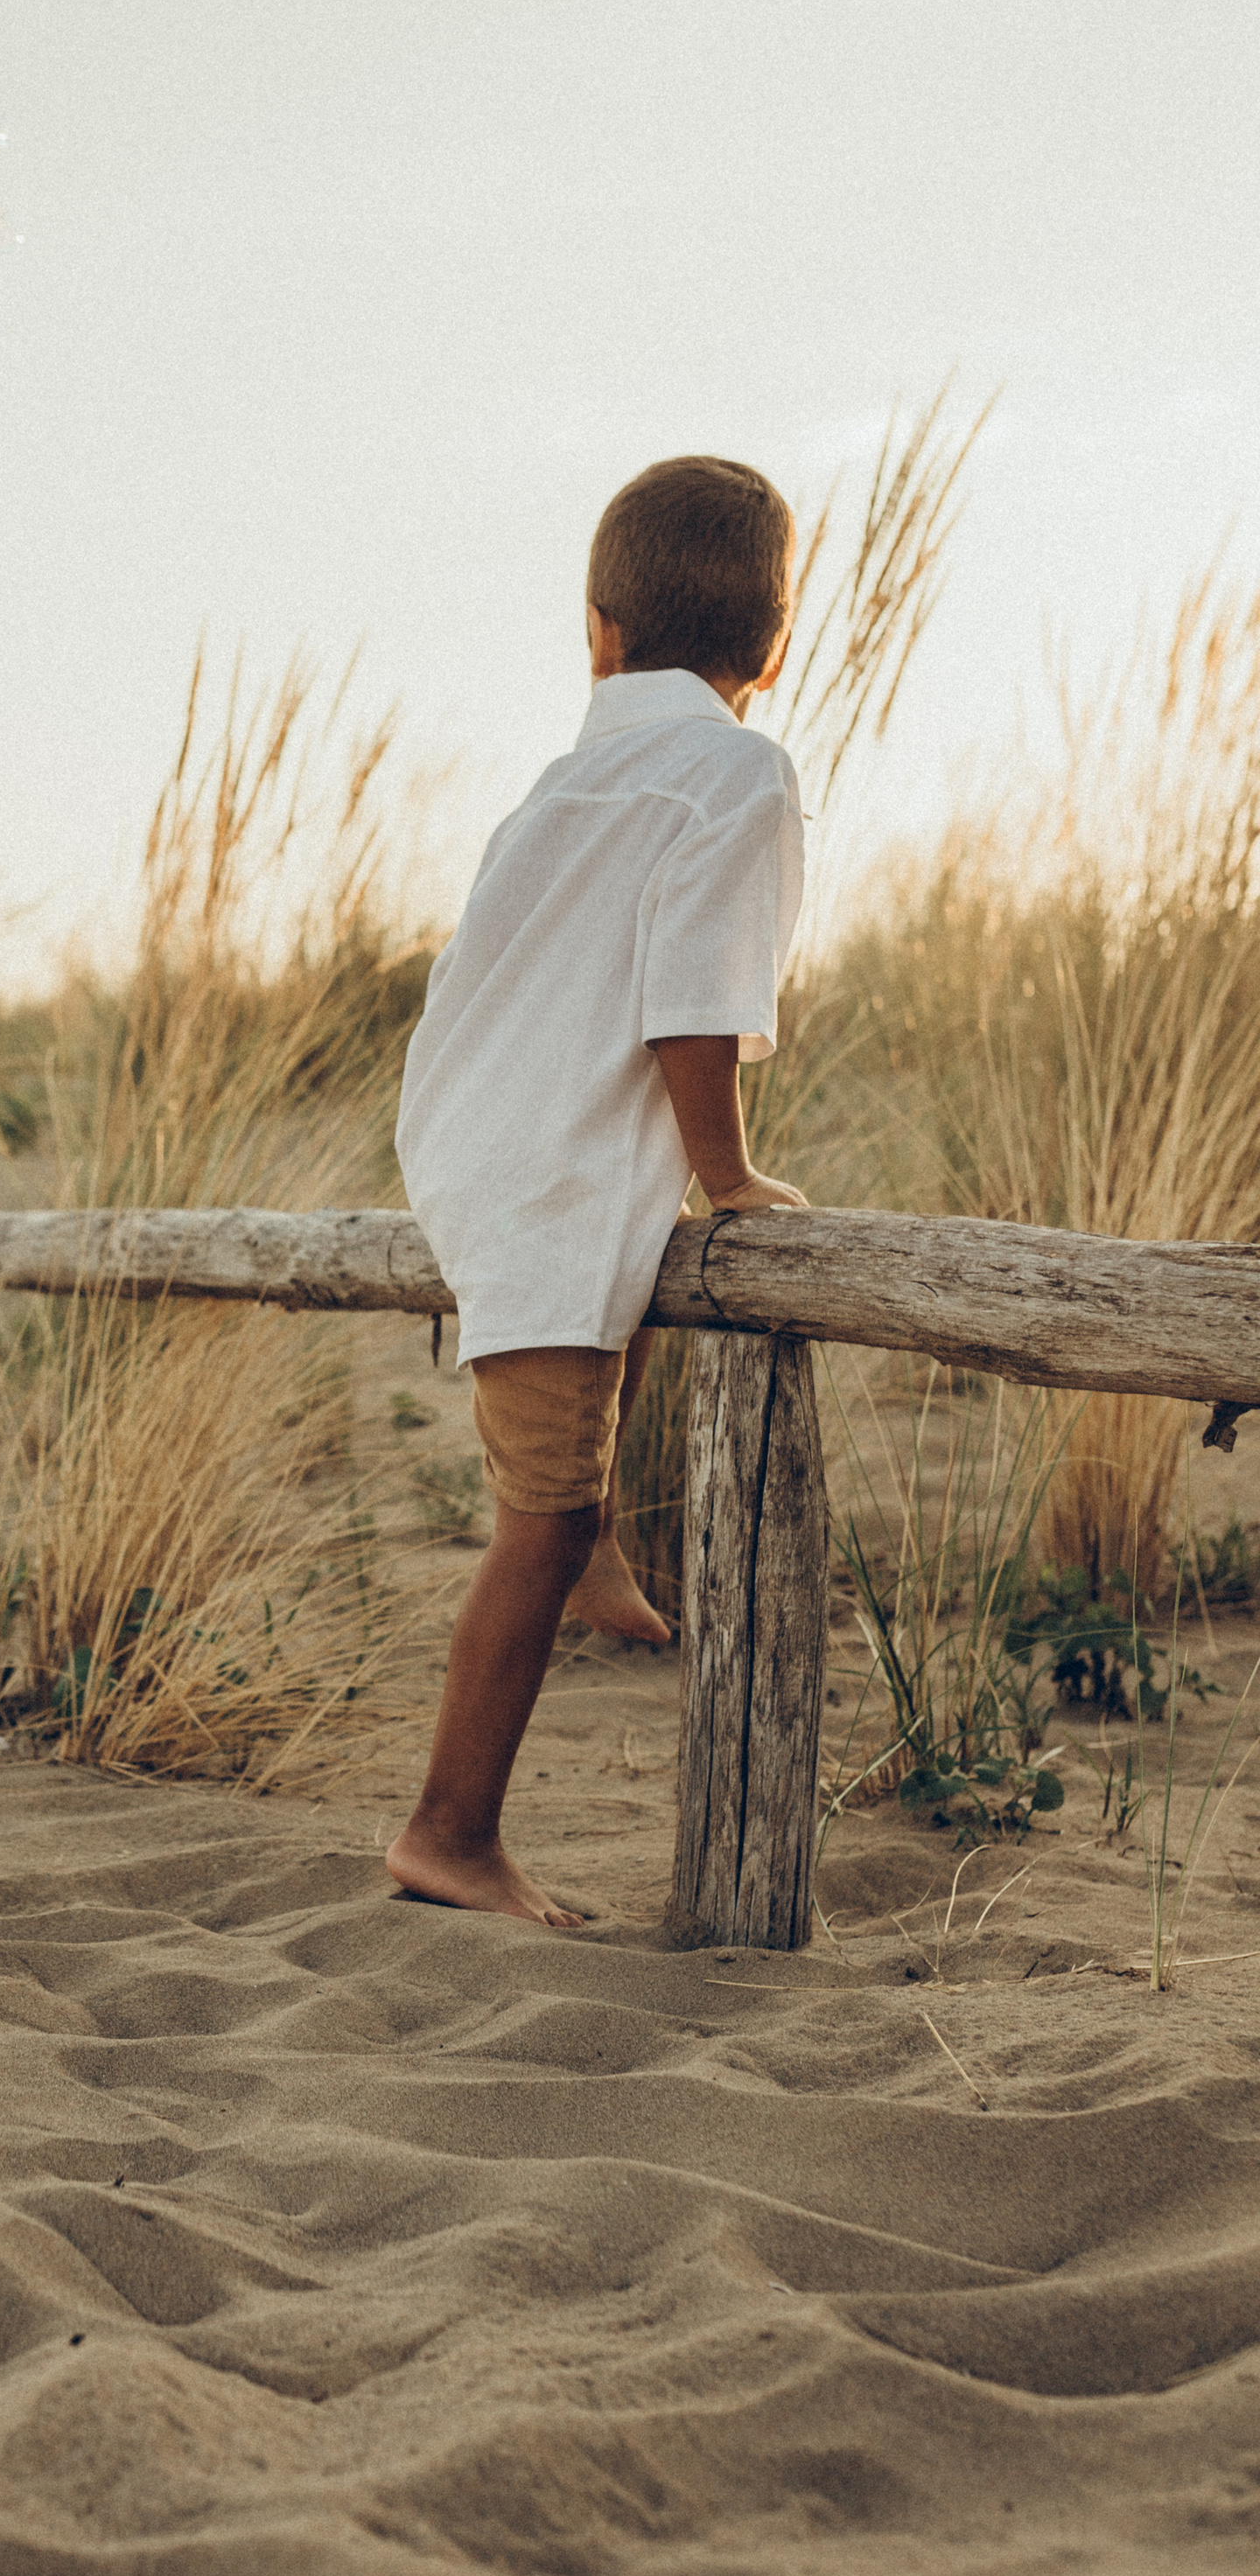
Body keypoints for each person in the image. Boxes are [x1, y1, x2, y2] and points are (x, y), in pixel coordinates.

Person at [388, 457, 811, 1928]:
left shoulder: (564, 780)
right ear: (773, 645)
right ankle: (450, 1830)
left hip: (477, 1136)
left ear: (597, 632)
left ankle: (599, 1553)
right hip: (552, 1169)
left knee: (595, 1334)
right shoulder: (737, 768)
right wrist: (727, 1172)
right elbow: (695, 994)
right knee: (537, 1512)